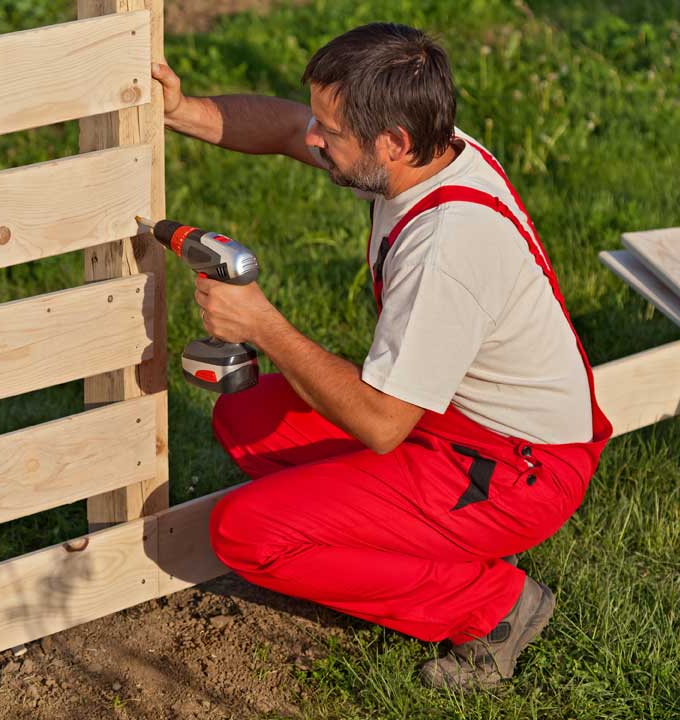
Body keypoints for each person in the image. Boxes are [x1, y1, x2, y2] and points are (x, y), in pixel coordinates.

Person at [151, 22, 612, 690]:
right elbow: (284, 129)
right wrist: (183, 112)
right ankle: (418, 539)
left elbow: (380, 424)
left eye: (330, 132)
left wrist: (266, 325)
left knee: (246, 534)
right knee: (248, 419)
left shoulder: (447, 248)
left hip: (513, 470)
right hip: (455, 421)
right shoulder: (428, 151)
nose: (313, 138)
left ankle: (493, 607)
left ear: (392, 142)